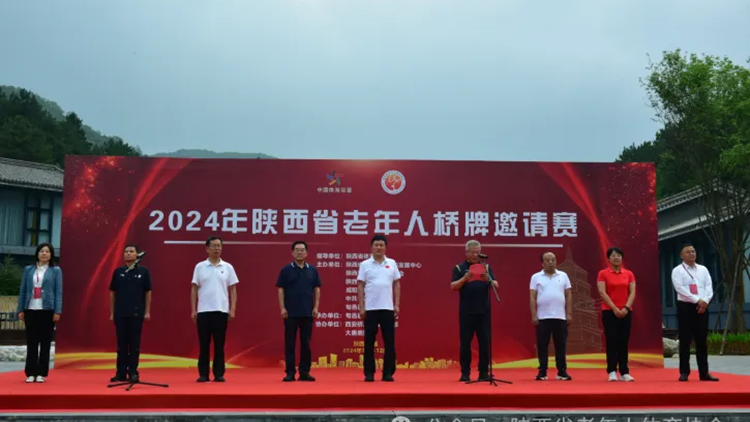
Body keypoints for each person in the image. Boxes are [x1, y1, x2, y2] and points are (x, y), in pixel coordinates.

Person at [191, 236, 239, 383]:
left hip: (221, 310)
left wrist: (232, 308)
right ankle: (203, 374)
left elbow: (233, 289)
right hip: (203, 310)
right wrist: (193, 310)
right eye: (214, 246)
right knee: (204, 344)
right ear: (207, 248)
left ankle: (219, 374)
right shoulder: (200, 267)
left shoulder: (228, 267)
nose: (217, 248)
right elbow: (194, 289)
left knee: (219, 344)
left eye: (219, 246)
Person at [450, 240, 498, 382]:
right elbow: (453, 286)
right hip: (467, 312)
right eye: (472, 252)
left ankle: (484, 372)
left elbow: (496, 285)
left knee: (485, 343)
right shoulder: (459, 268)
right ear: (466, 253)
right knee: (465, 344)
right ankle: (465, 372)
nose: (475, 255)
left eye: (478, 252)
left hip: (484, 312)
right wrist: (464, 279)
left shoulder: (486, 267)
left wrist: (489, 280)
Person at [671, 242, 719, 382]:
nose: (692, 254)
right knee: (685, 340)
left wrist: (705, 302)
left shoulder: (703, 269)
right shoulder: (677, 271)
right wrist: (697, 300)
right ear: (681, 255)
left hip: (702, 307)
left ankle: (704, 373)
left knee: (702, 341)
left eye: (693, 251)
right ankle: (684, 372)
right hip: (685, 307)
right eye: (688, 252)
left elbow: (709, 286)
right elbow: (680, 289)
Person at [16, 243, 63, 383]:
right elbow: (23, 290)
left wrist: (57, 311)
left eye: (47, 251)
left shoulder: (55, 270)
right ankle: (30, 373)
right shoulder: (28, 270)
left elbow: (58, 292)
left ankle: (41, 373)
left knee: (45, 342)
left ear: (51, 255)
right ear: (37, 253)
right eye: (42, 251)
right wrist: (20, 309)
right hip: (31, 308)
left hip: (47, 310)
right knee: (32, 342)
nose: (44, 253)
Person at [357, 234, 401, 382]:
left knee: (389, 342)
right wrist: (361, 307)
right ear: (371, 247)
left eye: (381, 245)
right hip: (370, 309)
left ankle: (388, 373)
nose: (379, 248)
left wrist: (396, 304)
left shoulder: (392, 263)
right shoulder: (365, 264)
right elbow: (360, 286)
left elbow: (396, 284)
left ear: (385, 247)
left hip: (387, 308)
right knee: (369, 341)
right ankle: (369, 373)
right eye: (376, 245)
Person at [276, 241, 321, 382]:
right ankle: (290, 372)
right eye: (297, 250)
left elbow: (317, 289)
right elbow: (281, 289)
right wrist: (282, 308)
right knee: (290, 344)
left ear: (307, 253)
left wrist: (316, 307)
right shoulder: (286, 270)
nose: (300, 252)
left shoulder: (312, 270)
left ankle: (304, 372)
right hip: (290, 313)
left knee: (306, 344)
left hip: (307, 312)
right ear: (292, 252)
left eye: (302, 250)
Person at [109, 244, 152, 383]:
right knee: (121, 344)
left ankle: (133, 372)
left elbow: (148, 292)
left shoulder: (143, 272)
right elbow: (112, 293)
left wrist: (147, 311)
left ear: (137, 255)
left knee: (134, 344)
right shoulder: (118, 272)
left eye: (131, 251)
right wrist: (112, 312)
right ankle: (121, 373)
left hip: (136, 313)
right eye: (126, 251)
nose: (128, 254)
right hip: (120, 313)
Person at [529, 252, 572, 381]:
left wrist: (569, 313)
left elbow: (568, 295)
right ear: (542, 263)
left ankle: (562, 371)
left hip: (560, 316)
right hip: (543, 317)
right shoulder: (536, 277)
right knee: (542, 345)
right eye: (547, 260)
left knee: (561, 345)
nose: (551, 262)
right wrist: (534, 314)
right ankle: (542, 371)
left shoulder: (563, 276)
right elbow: (532, 296)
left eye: (553, 260)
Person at [597, 246, 636, 382]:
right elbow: (602, 292)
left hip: (626, 312)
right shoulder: (603, 273)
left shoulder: (628, 274)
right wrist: (614, 308)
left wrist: (626, 308)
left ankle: (624, 371)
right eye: (613, 255)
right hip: (609, 311)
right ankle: (612, 371)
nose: (616, 258)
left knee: (623, 342)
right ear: (608, 259)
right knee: (612, 341)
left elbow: (632, 292)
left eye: (618, 255)